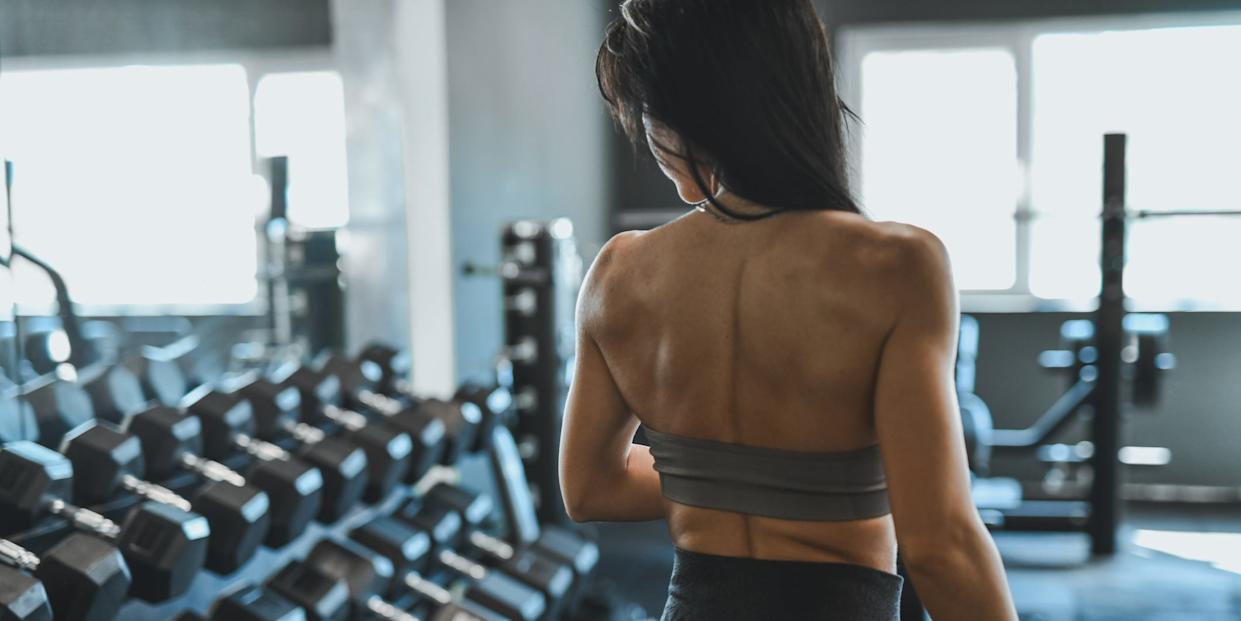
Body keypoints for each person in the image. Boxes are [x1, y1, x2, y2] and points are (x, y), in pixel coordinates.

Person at [558, 0, 1017, 619]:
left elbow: (591, 487)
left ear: (695, 116)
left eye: (653, 114)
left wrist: (720, 486)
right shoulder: (896, 265)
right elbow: (940, 545)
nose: (651, 137)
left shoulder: (618, 274)